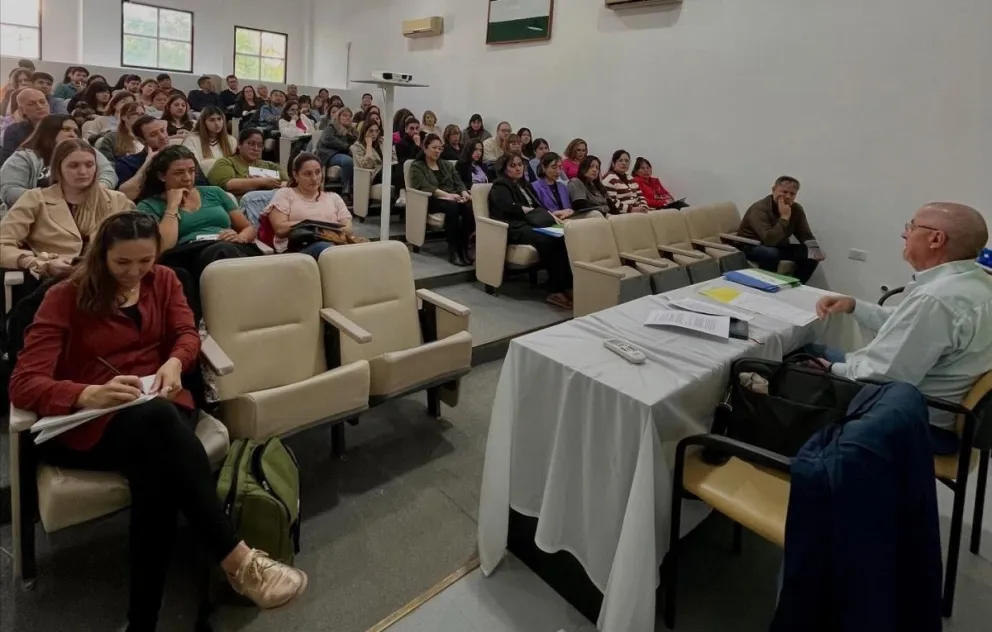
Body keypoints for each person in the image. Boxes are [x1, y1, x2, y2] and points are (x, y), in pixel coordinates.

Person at [9, 212, 307, 631]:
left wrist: (173, 362)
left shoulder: (164, 280)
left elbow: (187, 335)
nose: (134, 273)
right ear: (101, 257)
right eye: (122, 264)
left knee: (157, 463)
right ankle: (238, 560)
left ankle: (143, 621)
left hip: (158, 405)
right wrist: (84, 392)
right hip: (90, 423)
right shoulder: (65, 296)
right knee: (159, 437)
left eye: (144, 261)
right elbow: (24, 383)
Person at [812, 203, 992, 454]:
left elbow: (884, 375)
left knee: (789, 360)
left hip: (914, 419)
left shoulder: (938, 299)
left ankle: (779, 470)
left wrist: (831, 368)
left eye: (912, 226)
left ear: (936, 239)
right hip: (939, 410)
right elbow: (908, 325)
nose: (905, 233)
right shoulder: (976, 283)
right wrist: (854, 306)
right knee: (810, 351)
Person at [137, 145, 262, 315]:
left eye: (191, 171)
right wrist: (172, 206)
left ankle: (235, 314)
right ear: (161, 176)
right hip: (185, 253)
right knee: (206, 259)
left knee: (222, 250)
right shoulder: (149, 205)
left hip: (228, 246)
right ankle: (226, 315)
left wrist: (239, 237)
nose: (188, 178)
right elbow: (164, 247)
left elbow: (248, 228)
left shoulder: (214, 193)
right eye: (179, 173)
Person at [0, 139, 133, 280]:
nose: (83, 172)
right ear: (58, 169)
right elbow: (3, 243)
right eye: (73, 166)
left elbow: (135, 244)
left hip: (107, 279)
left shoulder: (117, 200)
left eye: (89, 165)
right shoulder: (35, 199)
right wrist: (38, 263)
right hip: (53, 280)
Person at [488, 153, 573, 309]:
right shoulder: (500, 185)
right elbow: (507, 208)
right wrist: (529, 211)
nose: (518, 168)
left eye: (520, 164)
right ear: (504, 169)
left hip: (530, 223)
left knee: (564, 235)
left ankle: (566, 284)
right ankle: (557, 290)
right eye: (513, 166)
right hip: (513, 227)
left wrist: (551, 214)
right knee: (548, 239)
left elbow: (538, 206)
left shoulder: (524, 184)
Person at [0, 114, 117, 207]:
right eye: (66, 129)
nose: (72, 135)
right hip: (36, 212)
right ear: (49, 131)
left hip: (82, 209)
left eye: (76, 131)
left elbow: (108, 173)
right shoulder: (24, 157)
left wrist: (96, 191)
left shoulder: (86, 151)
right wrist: (54, 199)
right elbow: (10, 191)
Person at [264, 152, 354, 257]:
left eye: (318, 172)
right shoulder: (285, 194)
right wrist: (309, 226)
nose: (314, 178)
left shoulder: (334, 197)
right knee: (327, 250)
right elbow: (280, 228)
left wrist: (324, 230)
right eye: (308, 174)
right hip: (298, 248)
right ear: (295, 175)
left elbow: (348, 228)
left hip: (333, 242)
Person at [738, 176, 823, 282]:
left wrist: (815, 250)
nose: (788, 196)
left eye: (792, 194)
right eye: (784, 192)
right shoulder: (759, 209)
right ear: (774, 190)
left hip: (777, 246)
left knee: (810, 253)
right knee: (770, 253)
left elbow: (805, 234)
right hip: (751, 245)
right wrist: (784, 217)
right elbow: (769, 239)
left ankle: (795, 284)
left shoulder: (796, 209)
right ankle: (770, 285)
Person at [409, 134, 475, 266]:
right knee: (453, 207)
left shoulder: (447, 164)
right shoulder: (417, 166)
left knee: (468, 206)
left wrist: (463, 192)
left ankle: (464, 247)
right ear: (425, 148)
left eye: (440, 148)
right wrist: (448, 195)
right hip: (431, 200)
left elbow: (458, 181)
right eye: (434, 148)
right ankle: (453, 251)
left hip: (452, 197)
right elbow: (425, 186)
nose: (437, 151)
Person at [117, 116, 209, 201]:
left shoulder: (183, 155)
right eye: (153, 135)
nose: (162, 137)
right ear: (141, 140)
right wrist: (147, 163)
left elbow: (203, 186)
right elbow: (126, 196)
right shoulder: (128, 163)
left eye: (162, 130)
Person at [208, 127, 288, 224]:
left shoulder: (269, 165)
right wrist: (261, 182)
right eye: (251, 144)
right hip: (240, 210)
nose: (256, 149)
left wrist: (269, 183)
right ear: (239, 145)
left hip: (274, 208)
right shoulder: (226, 162)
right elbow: (228, 185)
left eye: (260, 145)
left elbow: (289, 184)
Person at [350, 120, 406, 206]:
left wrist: (392, 163)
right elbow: (367, 166)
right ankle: (401, 194)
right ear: (364, 131)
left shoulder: (382, 142)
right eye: (371, 131)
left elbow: (394, 157)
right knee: (397, 168)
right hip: (373, 175)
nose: (374, 134)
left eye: (376, 131)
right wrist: (368, 145)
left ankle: (402, 198)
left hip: (389, 170)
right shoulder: (357, 146)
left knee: (402, 166)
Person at [0, 88, 51, 165]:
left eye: (42, 102)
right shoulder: (14, 131)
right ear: (21, 110)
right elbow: (9, 162)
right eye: (31, 104)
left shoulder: (61, 125)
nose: (40, 106)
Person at [182, 105, 237, 174]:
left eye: (219, 119)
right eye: (212, 120)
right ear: (203, 122)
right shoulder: (192, 140)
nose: (217, 123)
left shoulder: (231, 140)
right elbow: (194, 167)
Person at [315, 107, 356, 197]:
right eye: (344, 115)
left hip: (342, 153)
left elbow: (356, 142)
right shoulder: (331, 127)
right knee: (348, 161)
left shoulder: (352, 130)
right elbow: (327, 139)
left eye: (349, 116)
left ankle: (356, 191)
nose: (347, 118)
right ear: (338, 116)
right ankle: (346, 191)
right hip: (328, 154)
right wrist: (346, 146)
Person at [601, 150, 650, 214]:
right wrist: (632, 209)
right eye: (620, 160)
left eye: (627, 161)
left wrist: (644, 207)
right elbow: (612, 202)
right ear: (613, 163)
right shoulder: (609, 179)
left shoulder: (631, 179)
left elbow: (640, 196)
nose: (624, 163)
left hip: (636, 213)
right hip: (620, 214)